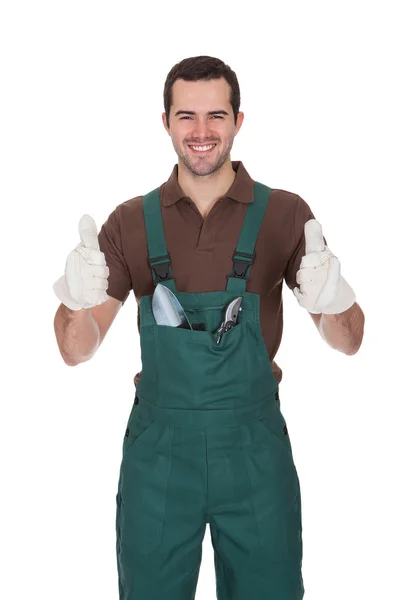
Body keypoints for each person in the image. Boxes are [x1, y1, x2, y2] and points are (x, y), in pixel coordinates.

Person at [53, 55, 365, 600]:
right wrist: (75, 303)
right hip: (159, 455)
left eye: (216, 116)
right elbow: (76, 351)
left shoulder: (285, 215)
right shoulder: (129, 222)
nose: (201, 133)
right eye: (186, 117)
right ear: (166, 121)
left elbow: (349, 342)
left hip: (253, 449)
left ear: (238, 122)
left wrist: (336, 300)